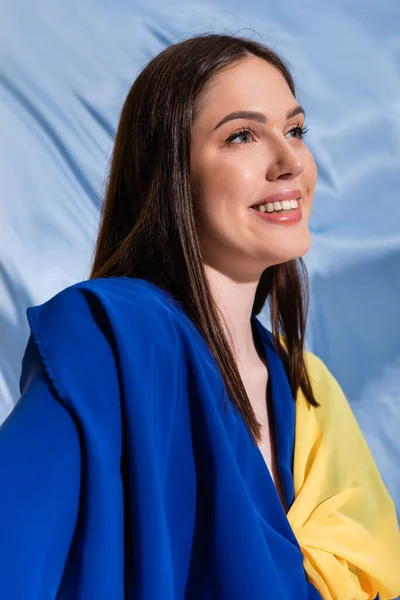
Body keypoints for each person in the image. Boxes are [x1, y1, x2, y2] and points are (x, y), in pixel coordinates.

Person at [0, 33, 399, 600]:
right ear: (171, 175)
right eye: (242, 136)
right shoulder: (119, 343)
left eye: (295, 130)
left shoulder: (309, 392)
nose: (290, 162)